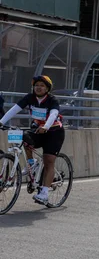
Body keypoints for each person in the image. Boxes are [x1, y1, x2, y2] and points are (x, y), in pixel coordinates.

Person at [0, 76, 65, 204]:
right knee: (24, 138)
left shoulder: (52, 100)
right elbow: (14, 109)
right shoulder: (29, 98)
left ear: (47, 88)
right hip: (38, 129)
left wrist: (46, 126)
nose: (38, 88)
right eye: (36, 85)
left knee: (48, 161)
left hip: (53, 132)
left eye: (42, 85)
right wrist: (1, 122)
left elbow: (53, 114)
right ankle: (32, 163)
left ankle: (44, 193)